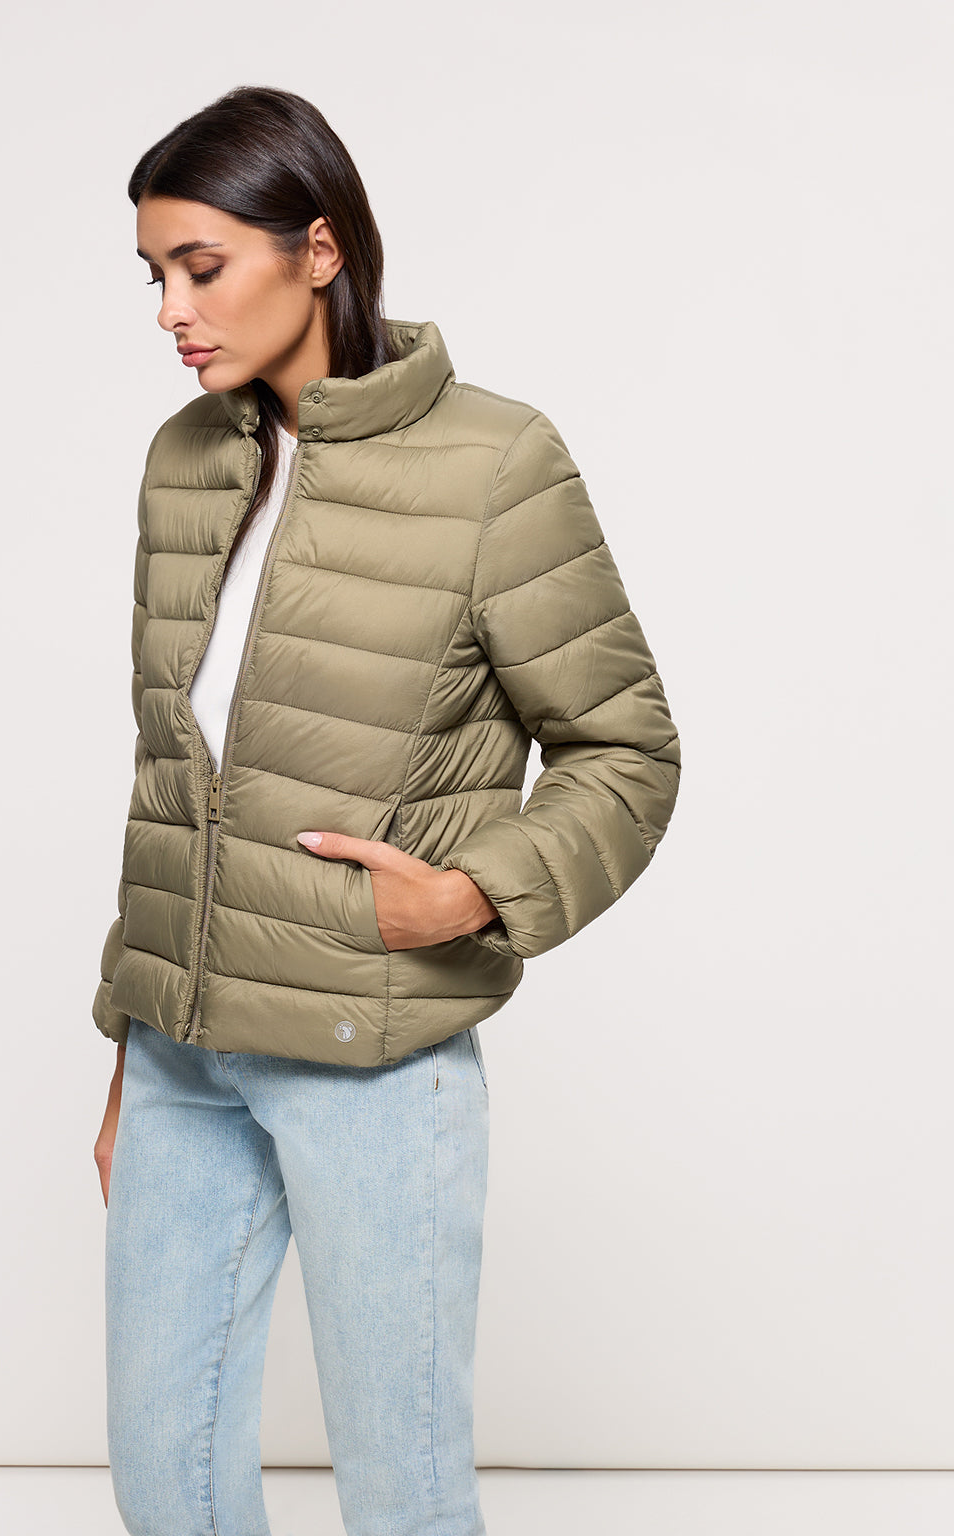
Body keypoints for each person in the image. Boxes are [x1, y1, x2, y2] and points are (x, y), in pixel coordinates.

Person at [92, 85, 680, 1536]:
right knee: (165, 1477)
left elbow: (625, 750)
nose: (172, 311)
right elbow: (171, 779)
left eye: (202, 267)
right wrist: (127, 1044)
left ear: (319, 249)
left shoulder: (494, 462)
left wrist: (471, 895)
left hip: (373, 1054)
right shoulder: (184, 460)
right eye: (154, 275)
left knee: (402, 1488)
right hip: (184, 1057)